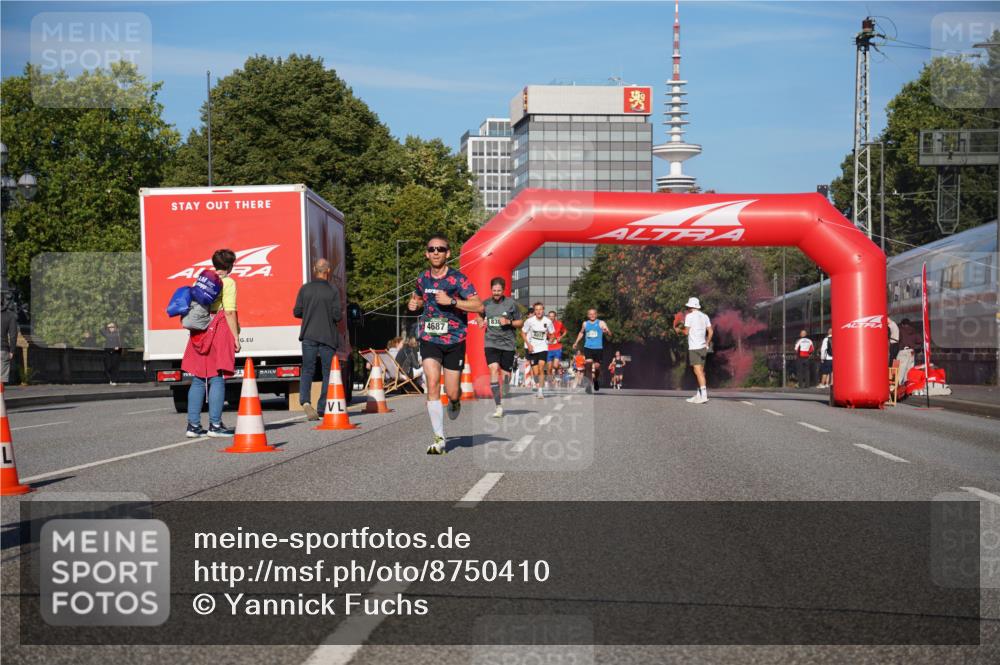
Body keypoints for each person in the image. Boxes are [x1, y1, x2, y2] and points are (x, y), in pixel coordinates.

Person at [407, 234, 482, 455]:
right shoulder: (422, 278)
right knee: (431, 383)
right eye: (432, 249)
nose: (436, 252)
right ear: (426, 253)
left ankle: (455, 401)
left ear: (448, 253)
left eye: (440, 249)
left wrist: (452, 302)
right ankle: (439, 438)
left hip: (455, 339)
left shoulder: (459, 279)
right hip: (430, 337)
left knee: (452, 391)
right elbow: (418, 297)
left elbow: (478, 305)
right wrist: (414, 303)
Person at [182, 249, 240, 438]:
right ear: (230, 265)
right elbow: (229, 312)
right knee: (217, 377)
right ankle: (215, 425)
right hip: (219, 327)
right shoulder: (228, 282)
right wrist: (236, 337)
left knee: (199, 378)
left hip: (200, 329)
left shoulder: (201, 280)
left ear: (214, 264)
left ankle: (193, 425)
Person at [293, 258, 343, 421]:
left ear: (315, 269)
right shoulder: (333, 290)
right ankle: (322, 406)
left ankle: (305, 401)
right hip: (327, 336)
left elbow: (297, 312)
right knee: (328, 371)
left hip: (308, 335)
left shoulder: (305, 289)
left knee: (307, 369)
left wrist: (309, 313)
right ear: (328, 271)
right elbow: (337, 315)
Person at [479, 277, 523, 417]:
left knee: (505, 378)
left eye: (499, 291)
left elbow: (520, 323)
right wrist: (480, 321)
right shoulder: (485, 303)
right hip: (491, 342)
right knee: (493, 369)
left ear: (503, 290)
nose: (496, 293)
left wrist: (509, 322)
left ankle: (504, 388)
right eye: (494, 290)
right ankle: (498, 406)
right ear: (491, 290)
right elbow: (479, 315)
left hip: (508, 344)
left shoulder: (511, 304)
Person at [674, 297, 712, 404]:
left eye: (688, 306)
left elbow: (686, 332)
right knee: (700, 371)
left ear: (691, 307)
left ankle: (704, 395)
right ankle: (699, 394)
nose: (687, 308)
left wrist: (678, 330)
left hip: (694, 347)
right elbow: (711, 331)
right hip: (703, 347)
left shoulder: (689, 316)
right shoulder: (705, 316)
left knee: (698, 371)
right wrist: (707, 342)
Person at [572, 308, 612, 394]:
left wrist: (606, 332)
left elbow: (609, 333)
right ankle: (589, 385)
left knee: (597, 367)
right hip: (588, 347)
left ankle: (596, 380)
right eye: (590, 314)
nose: (592, 315)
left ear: (596, 315)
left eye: (594, 314)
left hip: (598, 348)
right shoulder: (585, 324)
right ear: (588, 315)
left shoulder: (601, 323)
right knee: (588, 365)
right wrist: (576, 342)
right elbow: (581, 333)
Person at [522, 302, 555, 399]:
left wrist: (551, 340)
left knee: (541, 368)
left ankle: (540, 391)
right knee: (535, 372)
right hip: (532, 349)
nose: (539, 311)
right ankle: (537, 385)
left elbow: (552, 333)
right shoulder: (529, 321)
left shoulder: (548, 321)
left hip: (543, 348)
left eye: (540, 309)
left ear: (543, 310)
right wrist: (528, 344)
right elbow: (523, 333)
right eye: (536, 309)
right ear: (534, 311)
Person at [1, 289, 18, 384]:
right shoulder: (10, 316)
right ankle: (1, 399)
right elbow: (13, 335)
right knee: (1, 379)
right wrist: (12, 350)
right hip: (3, 349)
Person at [546, 310, 566, 389]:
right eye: (549, 316)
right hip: (549, 348)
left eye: (552, 316)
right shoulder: (545, 324)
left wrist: (561, 337)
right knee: (549, 368)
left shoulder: (559, 324)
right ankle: (551, 383)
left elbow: (565, 331)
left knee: (555, 365)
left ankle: (559, 368)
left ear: (555, 317)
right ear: (548, 317)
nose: (551, 317)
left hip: (557, 347)